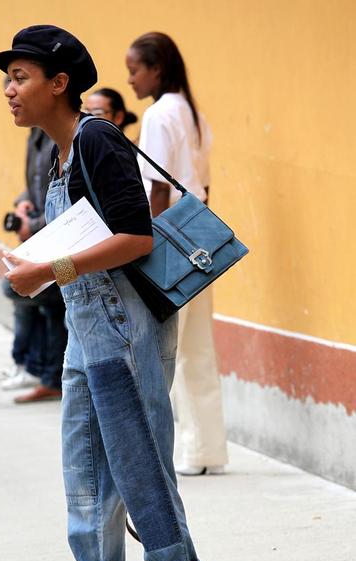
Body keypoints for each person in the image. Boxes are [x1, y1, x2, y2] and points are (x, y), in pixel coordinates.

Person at [0, 24, 210, 561]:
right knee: (86, 481)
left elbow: (136, 237)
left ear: (60, 84)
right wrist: (32, 258)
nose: (9, 88)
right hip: (84, 336)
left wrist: (47, 269)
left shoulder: (94, 136)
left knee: (141, 474)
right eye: (7, 78)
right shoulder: (59, 152)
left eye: (21, 77)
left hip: (125, 334)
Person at [126, 32, 229, 476]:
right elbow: (202, 181)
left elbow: (156, 186)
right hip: (199, 234)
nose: (130, 79)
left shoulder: (157, 115)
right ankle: (207, 450)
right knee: (198, 348)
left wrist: (147, 246)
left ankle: (178, 452)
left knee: (163, 351)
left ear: (157, 69)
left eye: (134, 70)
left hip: (167, 236)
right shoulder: (195, 113)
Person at [1, 125, 68, 403]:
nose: (11, 92)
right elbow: (36, 185)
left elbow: (74, 203)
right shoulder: (38, 133)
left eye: (21, 79)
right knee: (33, 297)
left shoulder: (83, 136)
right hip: (53, 247)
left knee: (50, 304)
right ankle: (42, 371)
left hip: (63, 245)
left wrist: (36, 226)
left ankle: (44, 371)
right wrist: (23, 206)